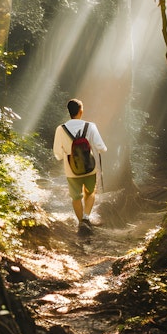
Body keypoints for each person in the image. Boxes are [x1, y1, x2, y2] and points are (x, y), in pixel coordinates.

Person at [53, 98, 107, 233]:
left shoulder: (61, 129)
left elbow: (57, 153)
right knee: (90, 192)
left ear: (69, 112)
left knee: (76, 197)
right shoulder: (90, 126)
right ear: (81, 111)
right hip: (90, 167)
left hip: (71, 169)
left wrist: (64, 155)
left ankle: (80, 222)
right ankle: (86, 217)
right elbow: (101, 147)